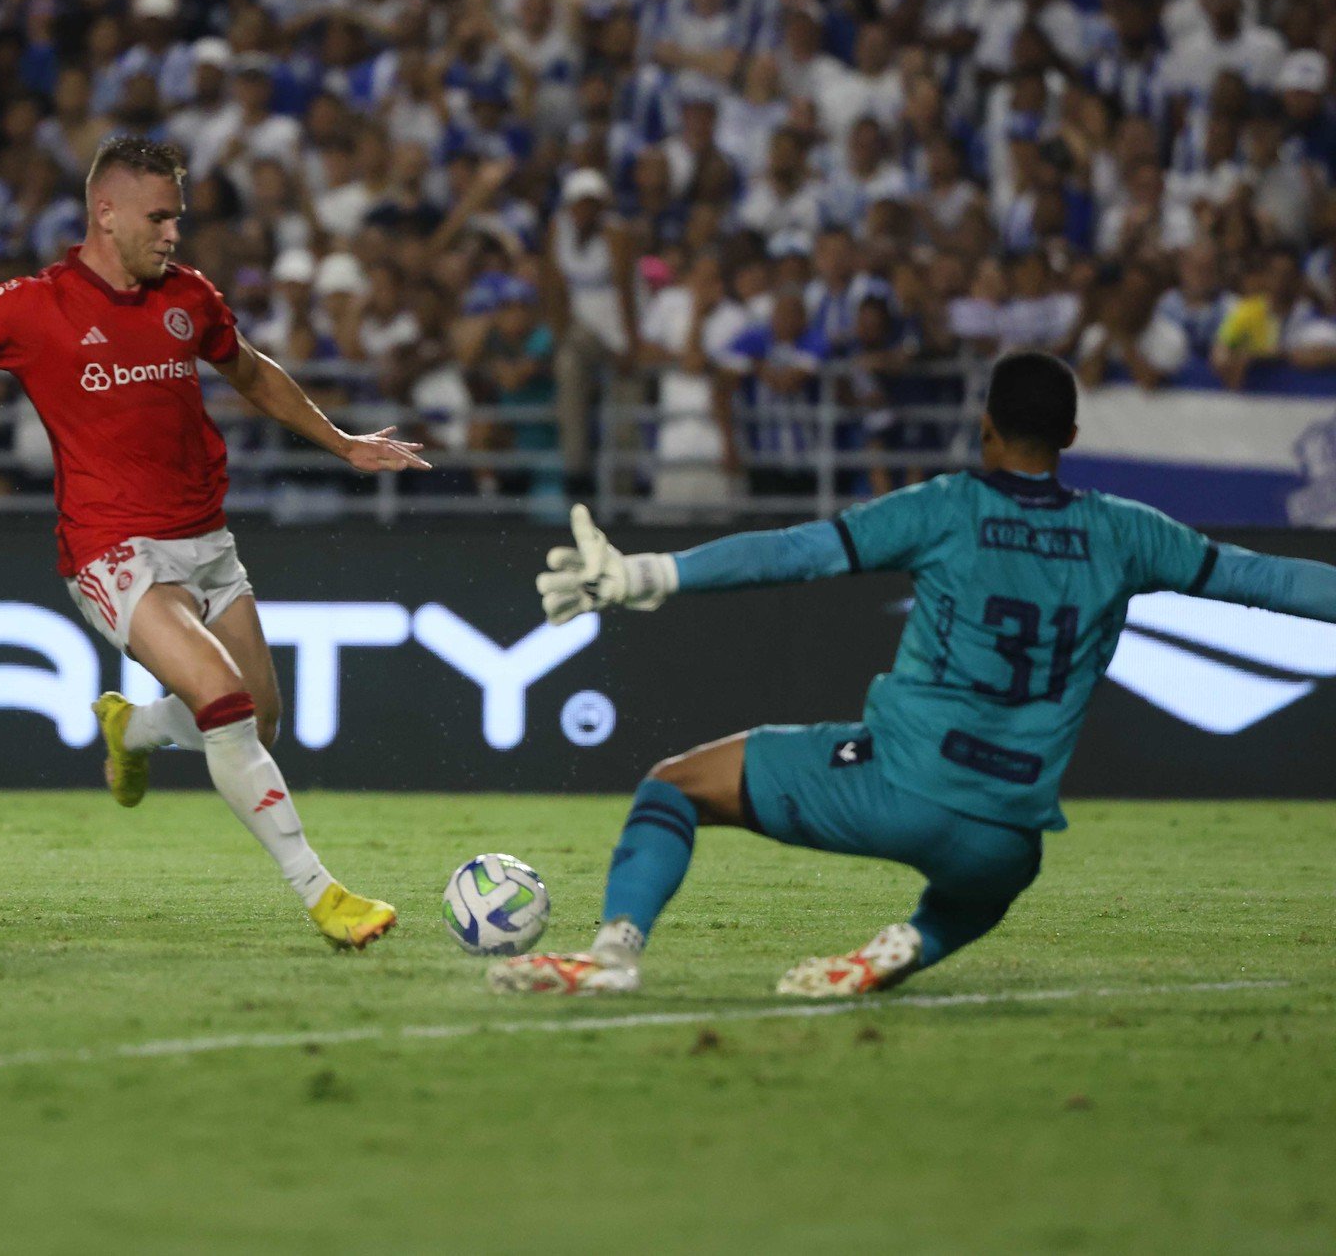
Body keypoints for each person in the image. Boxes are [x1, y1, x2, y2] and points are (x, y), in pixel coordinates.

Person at [492, 352, 1336, 996]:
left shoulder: (948, 507)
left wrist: (649, 575)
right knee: (985, 887)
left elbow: (798, 552)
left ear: (986, 428)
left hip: (899, 785)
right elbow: (1267, 579)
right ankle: (907, 944)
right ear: (1073, 438)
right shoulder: (1130, 533)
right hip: (1007, 832)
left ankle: (614, 954)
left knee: (674, 786)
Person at [0, 136, 429, 949]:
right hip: (112, 550)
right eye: (158, 218)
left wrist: (342, 442)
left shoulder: (189, 295)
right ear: (105, 213)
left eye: (178, 219)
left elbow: (252, 372)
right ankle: (323, 894)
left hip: (208, 541)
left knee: (259, 722)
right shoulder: (34, 304)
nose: (172, 235)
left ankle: (136, 729)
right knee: (224, 706)